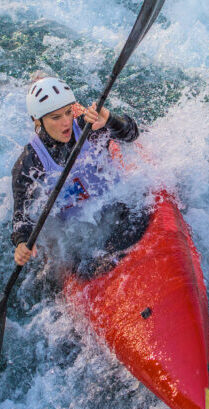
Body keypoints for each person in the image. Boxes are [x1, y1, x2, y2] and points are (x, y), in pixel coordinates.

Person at [11, 76, 140, 267]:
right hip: (78, 231)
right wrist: (22, 241)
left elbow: (132, 135)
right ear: (37, 121)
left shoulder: (90, 128)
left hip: (118, 207)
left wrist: (110, 120)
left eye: (68, 112)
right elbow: (21, 215)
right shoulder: (30, 163)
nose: (66, 122)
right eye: (56, 117)